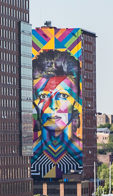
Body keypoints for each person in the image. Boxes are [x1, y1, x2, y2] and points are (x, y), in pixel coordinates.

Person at [31, 49, 83, 179]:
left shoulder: (81, 156)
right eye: (43, 96)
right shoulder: (27, 156)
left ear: (76, 102)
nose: (53, 105)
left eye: (63, 96)